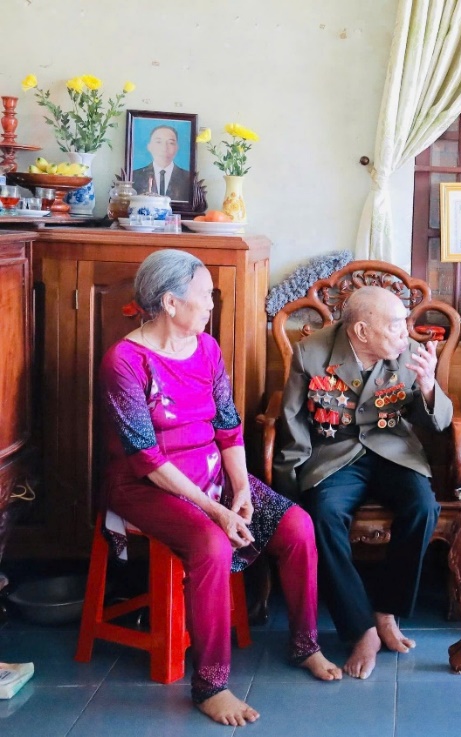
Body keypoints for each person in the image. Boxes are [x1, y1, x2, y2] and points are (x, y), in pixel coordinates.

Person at [99, 250, 341, 727]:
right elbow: (146, 459)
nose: (211, 304)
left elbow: (228, 429)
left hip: (211, 474)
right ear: (170, 303)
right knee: (210, 543)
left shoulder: (207, 349)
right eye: (204, 295)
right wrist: (216, 511)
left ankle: (304, 644)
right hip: (146, 486)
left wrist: (241, 490)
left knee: (297, 526)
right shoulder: (124, 361)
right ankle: (210, 684)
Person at [274, 286, 450, 679]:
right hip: (335, 453)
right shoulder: (312, 353)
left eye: (405, 323)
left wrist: (427, 386)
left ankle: (387, 611)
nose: (405, 332)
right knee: (322, 514)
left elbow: (439, 422)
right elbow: (293, 421)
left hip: (393, 449)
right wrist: (289, 492)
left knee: (423, 506)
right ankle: (360, 629)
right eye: (395, 325)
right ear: (362, 331)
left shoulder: (407, 351)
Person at [132, 124, 193, 201]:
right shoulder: (134, 176)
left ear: (177, 147)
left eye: (171, 143)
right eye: (158, 142)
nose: (164, 148)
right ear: (149, 147)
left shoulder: (188, 178)